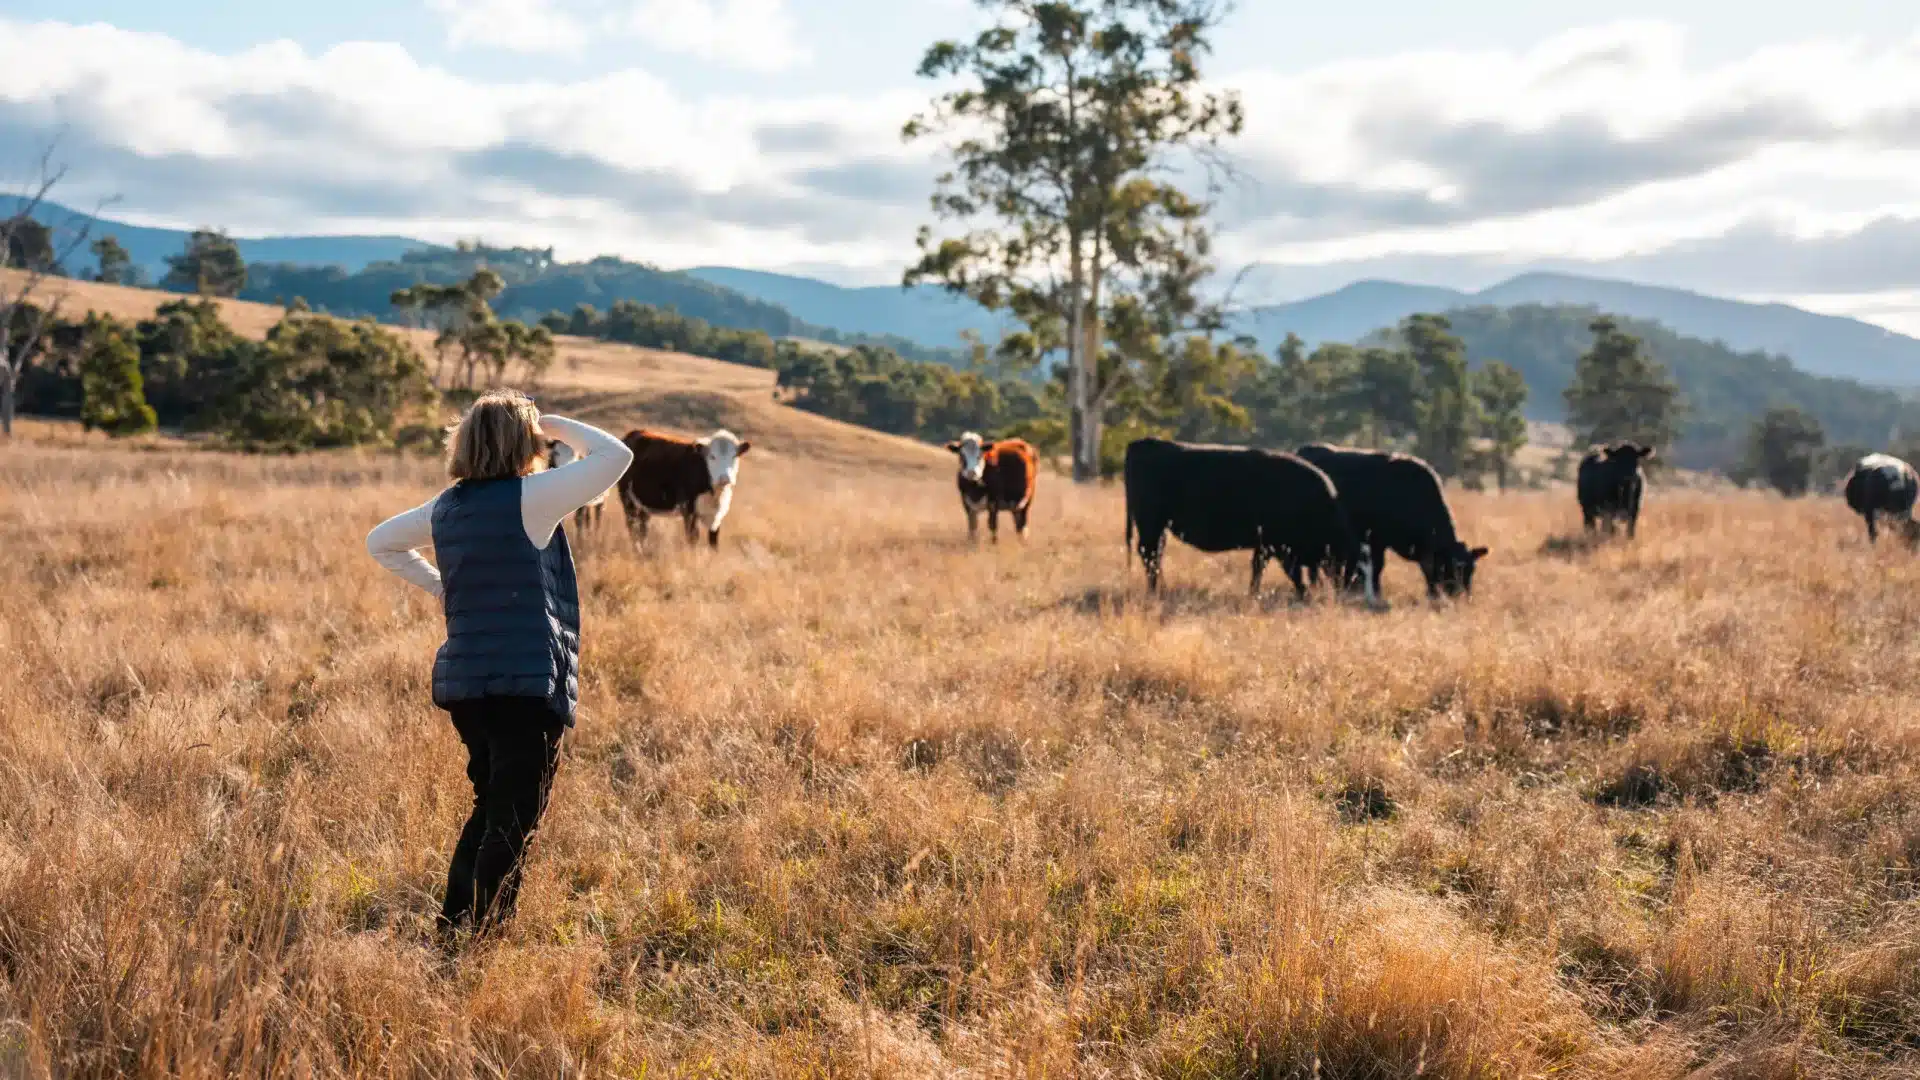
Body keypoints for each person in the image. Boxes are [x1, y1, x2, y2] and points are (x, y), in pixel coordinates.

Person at [366, 389, 632, 943]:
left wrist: (442, 585)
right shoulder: (531, 497)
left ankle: (453, 928)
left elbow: (382, 542)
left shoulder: (447, 506)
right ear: (524, 443)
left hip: (467, 682)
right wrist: (552, 423)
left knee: (491, 809)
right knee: (513, 822)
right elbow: (615, 457)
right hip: (525, 682)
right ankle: (478, 938)